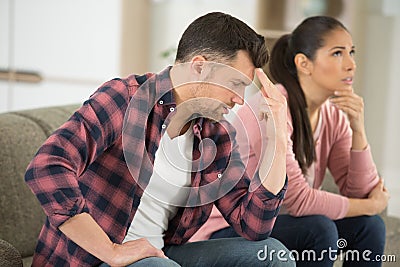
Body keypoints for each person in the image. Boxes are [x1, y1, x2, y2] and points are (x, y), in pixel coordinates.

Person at [24, 12, 295, 267]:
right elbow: (47, 166)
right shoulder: (126, 98)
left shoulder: (216, 134)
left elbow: (254, 225)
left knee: (273, 255)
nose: (239, 99)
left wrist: (277, 137)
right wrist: (113, 251)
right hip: (94, 259)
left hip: (161, 255)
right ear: (200, 67)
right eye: (236, 84)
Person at [193, 16, 390, 266]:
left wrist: (358, 129)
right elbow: (299, 201)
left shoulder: (333, 116)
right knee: (319, 229)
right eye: (338, 53)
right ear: (303, 63)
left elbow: (360, 193)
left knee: (370, 226)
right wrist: (371, 205)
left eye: (352, 52)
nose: (351, 64)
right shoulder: (271, 108)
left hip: (284, 224)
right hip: (230, 228)